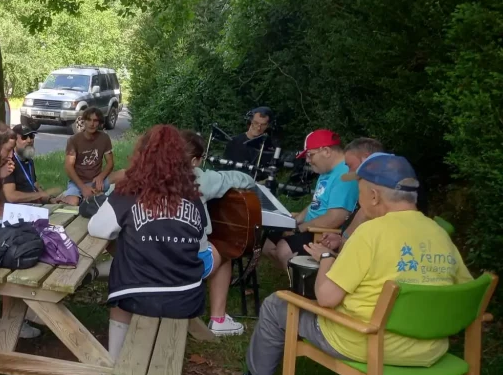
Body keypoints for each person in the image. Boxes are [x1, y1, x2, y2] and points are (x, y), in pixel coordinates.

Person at [224, 154, 473, 375]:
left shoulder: (370, 233)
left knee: (276, 305)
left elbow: (327, 298)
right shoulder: (438, 233)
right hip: (428, 349)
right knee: (370, 301)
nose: (359, 199)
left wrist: (326, 259)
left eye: (360, 191)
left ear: (375, 196)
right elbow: (467, 295)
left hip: (368, 343)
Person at [87, 125, 207, 361]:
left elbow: (97, 228)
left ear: (142, 156)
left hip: (138, 295)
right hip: (188, 296)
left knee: (121, 296)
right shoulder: (194, 198)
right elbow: (200, 241)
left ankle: (115, 361)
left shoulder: (128, 194)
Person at [182, 130, 257, 337]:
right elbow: (243, 180)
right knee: (225, 252)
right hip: (185, 264)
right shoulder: (201, 179)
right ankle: (219, 319)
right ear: (196, 160)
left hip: (149, 259)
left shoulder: (149, 176)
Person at [263, 129, 358, 270]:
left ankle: (305, 286)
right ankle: (295, 277)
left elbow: (335, 218)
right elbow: (317, 202)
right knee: (266, 242)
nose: (307, 160)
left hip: (323, 232)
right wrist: (294, 221)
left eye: (310, 155)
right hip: (310, 226)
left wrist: (297, 230)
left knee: (283, 247)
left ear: (326, 151)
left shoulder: (345, 175)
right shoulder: (327, 170)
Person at [318, 138, 384, 252]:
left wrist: (331, 256)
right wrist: (340, 239)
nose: (348, 173)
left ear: (366, 159)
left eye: (350, 165)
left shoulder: (380, 192)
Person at [63, 107, 114, 205]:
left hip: (97, 181)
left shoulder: (104, 138)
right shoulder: (74, 140)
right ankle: (71, 197)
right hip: (78, 182)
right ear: (84, 121)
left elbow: (110, 163)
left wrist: (101, 177)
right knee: (73, 202)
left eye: (95, 120)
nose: (92, 124)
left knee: (124, 175)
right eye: (89, 120)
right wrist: (83, 188)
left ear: (99, 123)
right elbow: (69, 167)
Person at [2, 125, 59, 204]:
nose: (29, 140)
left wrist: (50, 199)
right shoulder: (9, 163)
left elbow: (34, 185)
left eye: (31, 136)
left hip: (33, 205)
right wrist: (39, 195)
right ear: (14, 141)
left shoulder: (29, 161)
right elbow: (11, 196)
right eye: (24, 137)